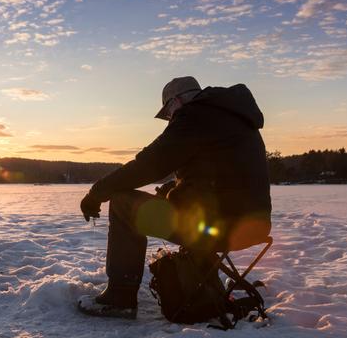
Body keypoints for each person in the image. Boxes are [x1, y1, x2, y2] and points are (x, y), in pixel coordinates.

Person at [79, 76, 272, 319]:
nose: (169, 119)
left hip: (218, 226)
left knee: (121, 203)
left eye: (168, 113)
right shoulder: (233, 118)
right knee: (168, 205)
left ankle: (120, 297)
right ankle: (202, 284)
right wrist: (174, 189)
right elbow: (220, 175)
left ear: (177, 101)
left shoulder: (194, 116)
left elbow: (148, 165)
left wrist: (96, 193)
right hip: (252, 225)